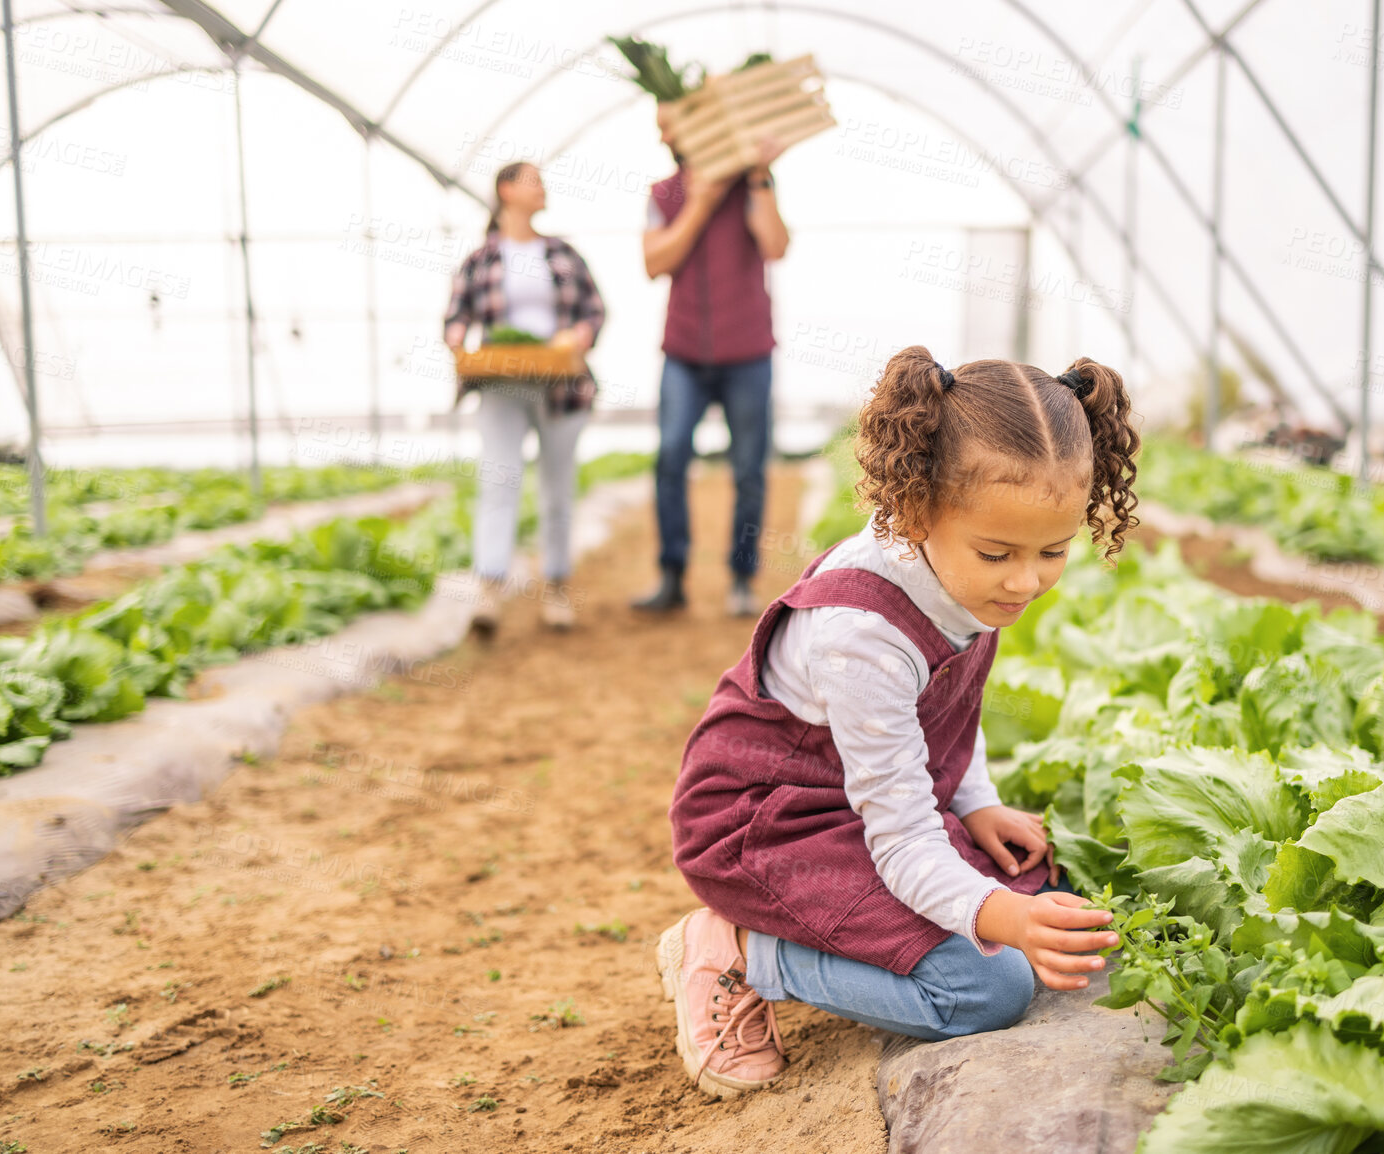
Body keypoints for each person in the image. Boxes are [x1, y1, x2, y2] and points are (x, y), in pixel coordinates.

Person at [656, 346, 1142, 1097]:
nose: (1026, 580)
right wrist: (994, 917)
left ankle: (816, 937)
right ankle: (737, 949)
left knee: (1042, 889)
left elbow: (952, 710)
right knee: (988, 988)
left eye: (1053, 551)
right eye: (998, 552)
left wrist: (976, 803)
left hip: (852, 802)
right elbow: (903, 835)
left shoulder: (966, 573)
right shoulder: (862, 634)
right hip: (762, 827)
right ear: (918, 509)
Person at [631, 104, 789, 618]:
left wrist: (761, 174)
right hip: (683, 353)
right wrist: (699, 204)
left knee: (748, 468)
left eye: (669, 122)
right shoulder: (665, 194)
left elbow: (775, 244)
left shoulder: (751, 185)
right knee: (671, 457)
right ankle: (672, 574)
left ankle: (741, 577)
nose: (662, 133)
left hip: (747, 352)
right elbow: (656, 262)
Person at [444, 161, 606, 637]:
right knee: (499, 480)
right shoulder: (481, 259)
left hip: (561, 384)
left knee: (558, 486)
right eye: (533, 180)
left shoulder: (562, 254)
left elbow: (593, 310)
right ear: (507, 190)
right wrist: (457, 340)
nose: (543, 188)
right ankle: (490, 588)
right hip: (499, 381)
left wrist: (580, 333)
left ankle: (555, 588)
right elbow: (455, 316)